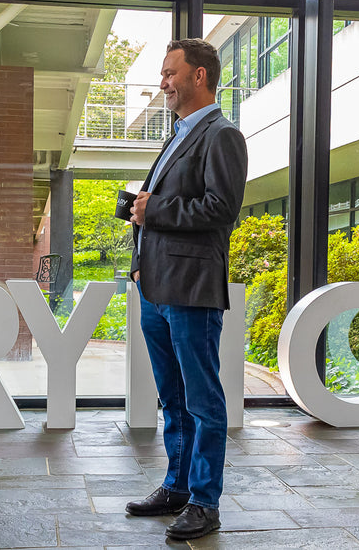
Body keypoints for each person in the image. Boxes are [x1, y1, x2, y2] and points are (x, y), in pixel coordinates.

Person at [125, 39, 248, 541]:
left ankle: (204, 501)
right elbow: (158, 204)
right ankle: (176, 485)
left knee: (202, 398)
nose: (163, 83)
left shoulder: (222, 136)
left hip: (192, 289)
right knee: (172, 397)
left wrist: (154, 210)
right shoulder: (176, 136)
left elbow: (221, 210)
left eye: (170, 73)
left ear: (199, 76)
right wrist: (137, 261)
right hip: (155, 287)